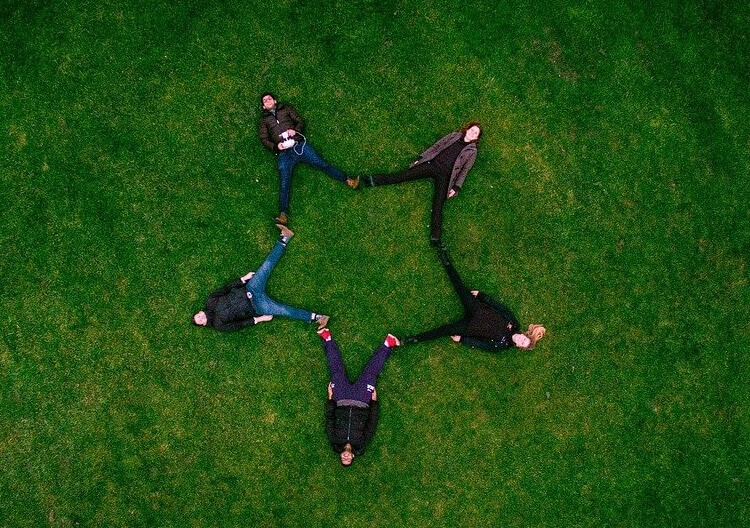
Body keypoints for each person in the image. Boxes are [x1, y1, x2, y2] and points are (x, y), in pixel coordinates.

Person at [402, 246, 545, 351]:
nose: (520, 340)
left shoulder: (501, 346)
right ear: (523, 334)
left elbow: (481, 344)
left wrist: (462, 339)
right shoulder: (513, 323)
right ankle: (444, 257)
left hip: (469, 327)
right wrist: (482, 296)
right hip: (477, 309)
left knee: (444, 330)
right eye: (523, 339)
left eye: (521, 343)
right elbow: (499, 307)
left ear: (518, 346)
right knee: (459, 287)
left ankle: (411, 339)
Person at [363, 122, 481, 246]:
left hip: (446, 176)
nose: (472, 133)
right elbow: (437, 146)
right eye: (472, 130)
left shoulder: (472, 152)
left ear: (476, 138)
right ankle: (372, 180)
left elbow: (464, 171)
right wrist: (421, 158)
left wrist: (456, 187)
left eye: (475, 133)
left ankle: (435, 237)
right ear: (467, 129)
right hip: (432, 165)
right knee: (403, 176)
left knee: (438, 204)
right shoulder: (453, 136)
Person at [193, 224, 329, 331]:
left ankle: (285, 237)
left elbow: (226, 288)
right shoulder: (219, 325)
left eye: (198, 315)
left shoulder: (211, 301)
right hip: (257, 306)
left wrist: (242, 279)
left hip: (250, 288)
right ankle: (318, 318)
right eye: (199, 320)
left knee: (266, 266)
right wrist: (261, 319)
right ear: (203, 324)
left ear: (200, 311)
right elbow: (240, 325)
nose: (200, 316)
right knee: (283, 310)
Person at [259, 92, 358, 226]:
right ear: (264, 107)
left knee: (321, 163)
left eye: (269, 98)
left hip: (299, 145)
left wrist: (295, 131)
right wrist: (276, 146)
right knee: (284, 181)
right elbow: (264, 139)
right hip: (284, 154)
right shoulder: (264, 120)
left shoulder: (286, 108)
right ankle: (283, 215)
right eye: (265, 101)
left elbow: (299, 121)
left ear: (275, 101)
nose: (268, 100)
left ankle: (348, 180)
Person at [319, 327, 400, 466]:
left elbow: (330, 418)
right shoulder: (362, 442)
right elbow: (372, 423)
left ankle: (327, 338)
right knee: (371, 374)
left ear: (341, 456)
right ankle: (388, 344)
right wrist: (374, 401)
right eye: (348, 459)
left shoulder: (334, 439)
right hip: (362, 400)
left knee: (336, 371)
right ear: (352, 457)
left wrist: (330, 397)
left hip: (341, 399)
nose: (345, 457)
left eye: (343, 458)